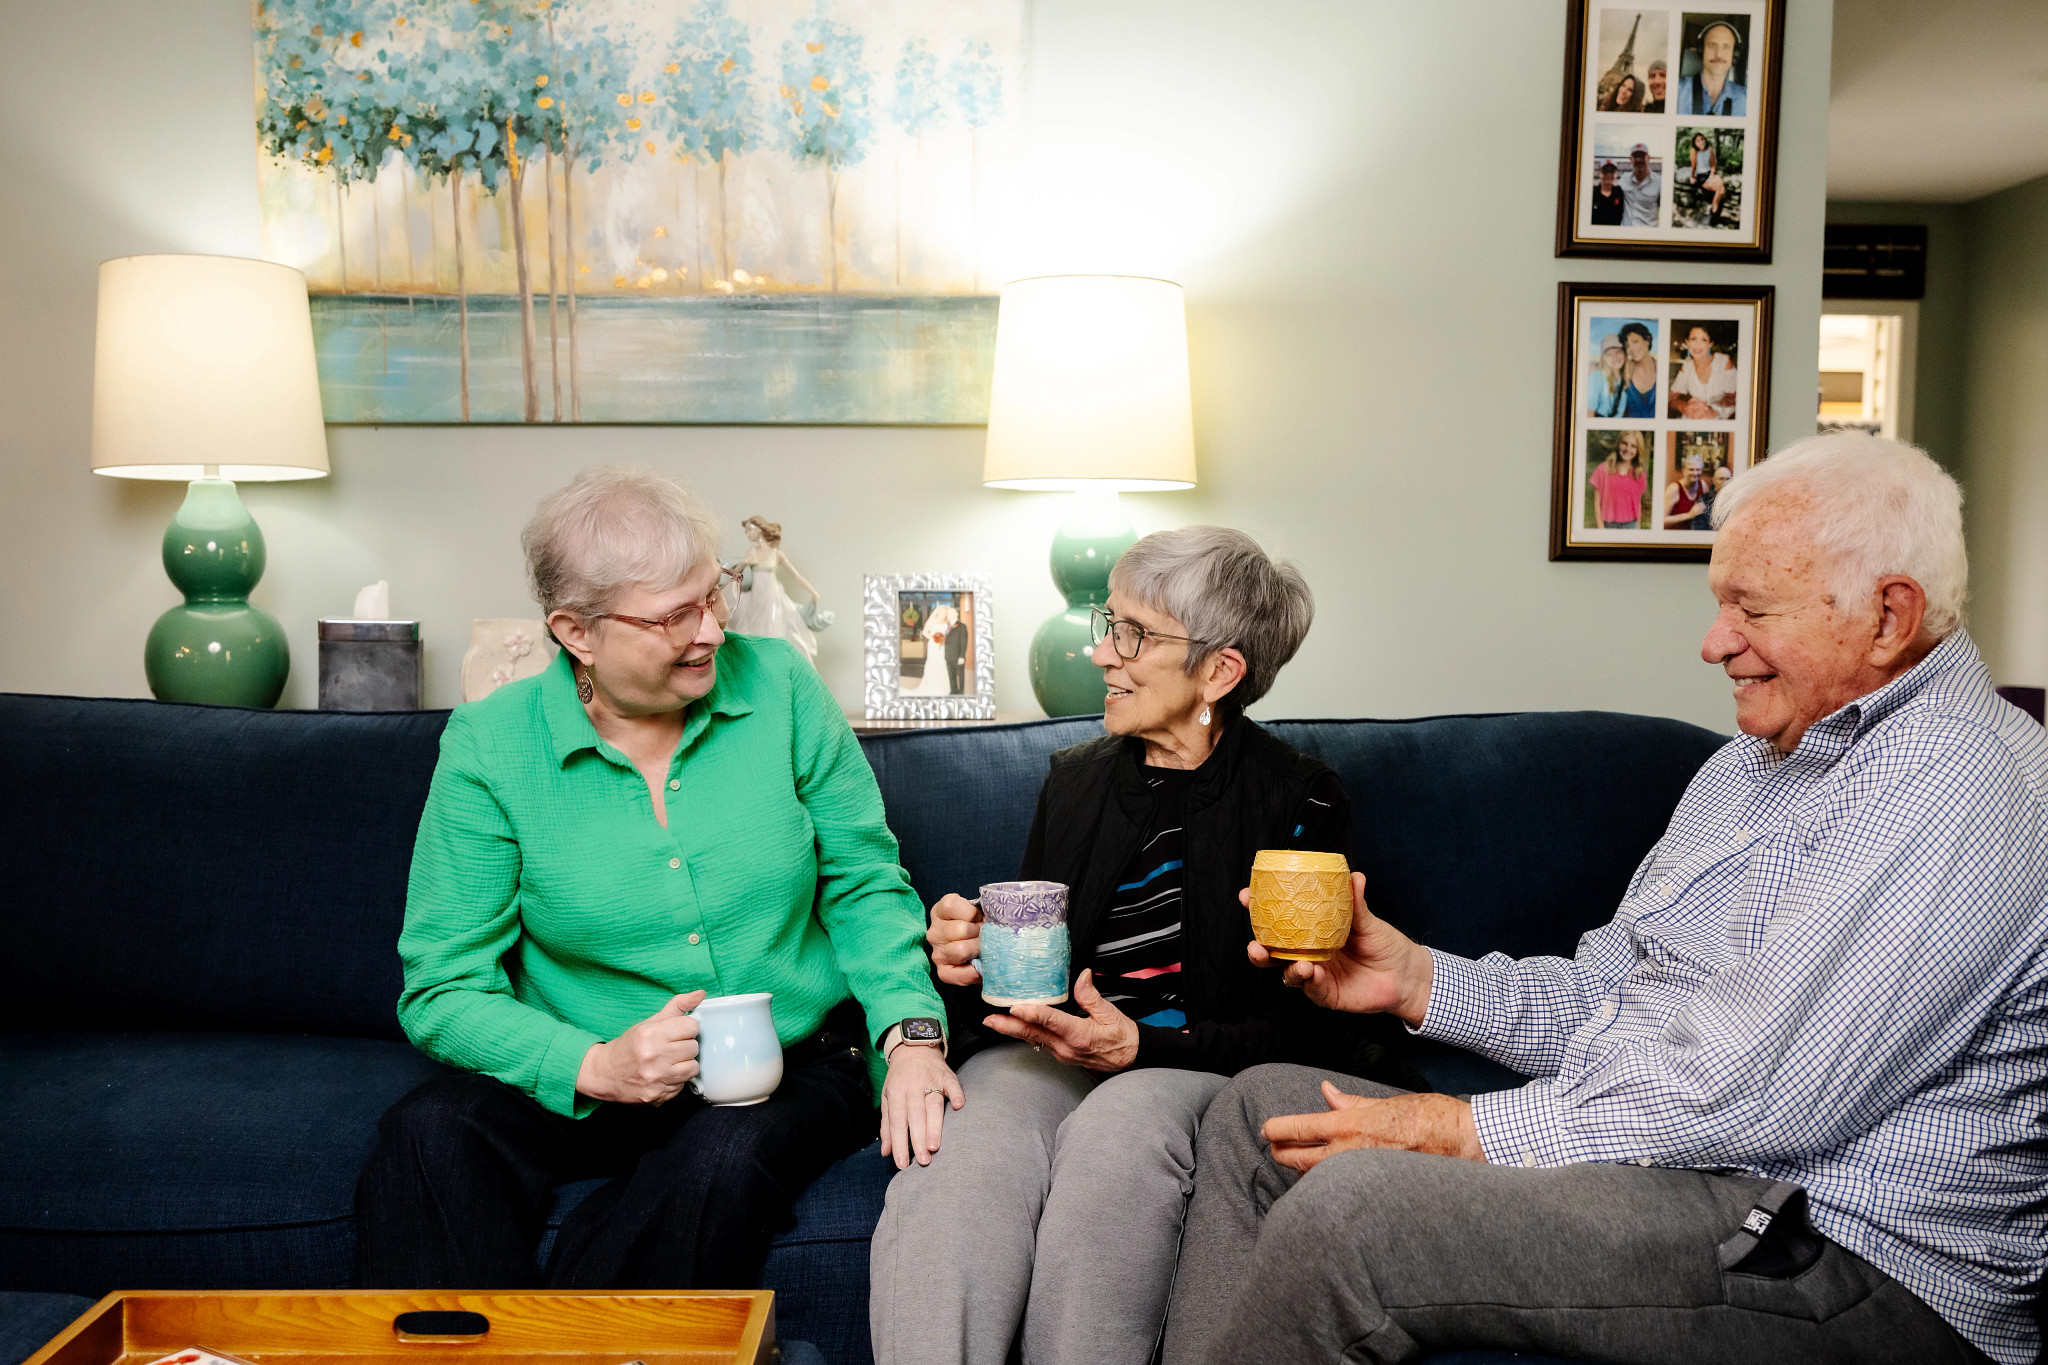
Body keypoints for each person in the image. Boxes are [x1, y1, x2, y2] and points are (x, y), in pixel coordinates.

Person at [1162, 433, 2048, 1365]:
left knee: (1353, 1215)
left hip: (1852, 1256)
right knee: (1257, 1115)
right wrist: (1419, 982)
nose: (1715, 644)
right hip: (1697, 1176)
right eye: (1719, 604)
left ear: (1887, 616)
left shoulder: (1956, 779)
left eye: (1751, 608)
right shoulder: (1752, 766)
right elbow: (1612, 996)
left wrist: (1458, 1128)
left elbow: (1747, 1092)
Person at [355, 466, 959, 1291]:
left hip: (791, 1067)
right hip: (595, 1073)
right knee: (428, 1132)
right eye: (675, 615)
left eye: (716, 595)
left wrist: (912, 1034)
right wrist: (594, 1064)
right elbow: (441, 988)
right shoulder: (491, 746)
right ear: (576, 632)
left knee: (718, 1161)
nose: (710, 630)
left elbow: (863, 882)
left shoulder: (780, 686)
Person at [871, 527, 1416, 1365]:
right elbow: (1033, 972)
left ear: (1219, 672)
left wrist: (1140, 1045)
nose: (1101, 653)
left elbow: (1309, 1022)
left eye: (1132, 634)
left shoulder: (1300, 799)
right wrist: (965, 957)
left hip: (1194, 1062)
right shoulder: (1077, 777)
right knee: (965, 1141)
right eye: (1107, 621)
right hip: (1059, 1045)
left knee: (1119, 1134)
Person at [727, 515, 832, 667]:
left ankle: (777, 666)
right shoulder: (751, 552)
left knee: (774, 630)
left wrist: (813, 592)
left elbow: (796, 575)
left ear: (760, 529)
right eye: (746, 531)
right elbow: (735, 575)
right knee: (756, 633)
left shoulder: (776, 553)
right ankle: (761, 668)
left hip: (772, 598)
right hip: (756, 600)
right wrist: (744, 563)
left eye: (750, 529)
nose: (748, 533)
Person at [1670, 322, 1739, 420]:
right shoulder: (1687, 368)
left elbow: (1735, 398)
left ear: (1710, 344)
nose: (1698, 345)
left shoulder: (1723, 362)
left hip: (1720, 420)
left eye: (1704, 340)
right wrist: (1684, 407)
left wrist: (1713, 410)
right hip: (1692, 419)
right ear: (1687, 342)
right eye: (1693, 339)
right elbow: (1671, 399)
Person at [1677, 18, 1747, 115]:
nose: (1718, 54)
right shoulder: (1677, 91)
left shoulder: (1746, 98)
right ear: (1701, 50)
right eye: (1712, 45)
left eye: (1726, 46)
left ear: (1734, 54)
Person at [1587, 429, 1649, 529]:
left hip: (1631, 525)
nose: (1627, 449)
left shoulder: (1639, 475)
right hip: (1608, 526)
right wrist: (1600, 529)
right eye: (1624, 443)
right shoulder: (1602, 470)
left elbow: (1638, 505)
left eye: (1633, 446)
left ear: (1638, 450)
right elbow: (1596, 504)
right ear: (1618, 444)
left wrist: (1638, 529)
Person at [1683, 131, 1729, 224]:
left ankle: (1714, 211)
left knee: (1722, 190)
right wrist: (1692, 177)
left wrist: (1711, 175)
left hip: (1710, 174)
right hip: (1701, 176)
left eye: (1702, 139)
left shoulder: (1710, 150)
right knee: (1721, 191)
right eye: (1698, 141)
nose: (1701, 142)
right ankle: (1714, 212)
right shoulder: (1694, 151)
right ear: (1695, 143)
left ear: (1705, 140)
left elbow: (1713, 165)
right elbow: (1694, 166)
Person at [1620, 321, 1658, 418]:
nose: (1631, 348)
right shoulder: (1625, 372)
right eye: (1627, 346)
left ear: (1647, 341)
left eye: (1635, 341)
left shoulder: (1662, 370)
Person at [1585, 332, 1628, 415]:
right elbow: (1589, 413)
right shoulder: (1597, 377)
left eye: (1618, 352)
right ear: (1604, 358)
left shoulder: (1627, 379)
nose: (1615, 358)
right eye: (1609, 354)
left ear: (1624, 354)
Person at [1664, 450, 1709, 528]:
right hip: (1674, 536)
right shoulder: (1674, 489)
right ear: (1683, 471)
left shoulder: (1703, 486)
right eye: (1691, 469)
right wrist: (1689, 515)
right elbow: (1661, 520)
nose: (1695, 473)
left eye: (1698, 469)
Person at [1620, 143, 1661, 227]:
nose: (1639, 160)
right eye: (1636, 156)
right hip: (1625, 232)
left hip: (1648, 233)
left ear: (1648, 158)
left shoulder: (1659, 181)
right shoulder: (1624, 179)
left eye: (1642, 156)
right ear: (1631, 159)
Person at [944, 610, 969, 694]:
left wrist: (962, 656)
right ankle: (953, 690)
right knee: (951, 675)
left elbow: (964, 642)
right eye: (948, 614)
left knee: (960, 675)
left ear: (957, 614)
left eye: (951, 613)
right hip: (949, 656)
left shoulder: (962, 626)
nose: (949, 615)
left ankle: (961, 692)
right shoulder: (948, 626)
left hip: (958, 656)